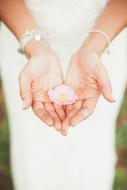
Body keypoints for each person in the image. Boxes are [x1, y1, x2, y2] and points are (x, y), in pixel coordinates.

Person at [0, 0, 127, 189]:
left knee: (92, 141)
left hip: (107, 34)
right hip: (22, 31)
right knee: (34, 145)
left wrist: (93, 48)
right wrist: (35, 48)